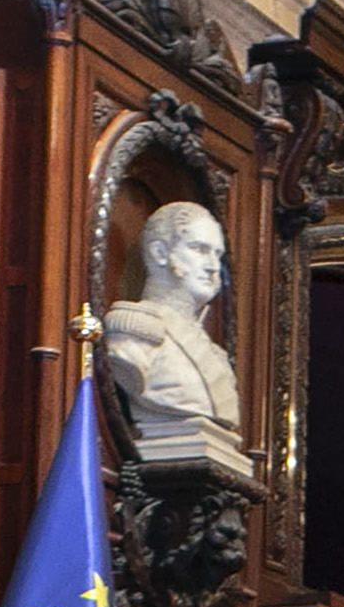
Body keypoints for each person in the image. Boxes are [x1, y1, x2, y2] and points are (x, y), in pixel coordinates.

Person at [101, 200, 250, 475]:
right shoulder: (134, 334)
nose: (212, 267)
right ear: (160, 252)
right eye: (199, 249)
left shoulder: (216, 355)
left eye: (217, 255)